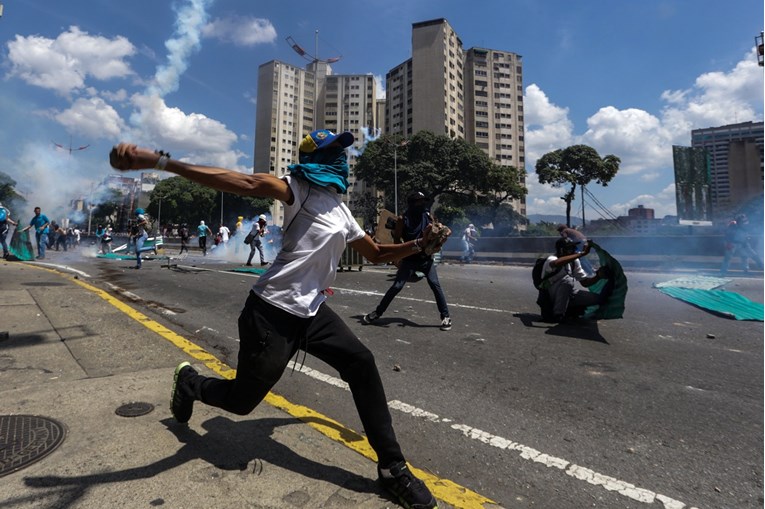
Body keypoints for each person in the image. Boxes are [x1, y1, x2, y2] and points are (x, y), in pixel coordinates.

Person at [109, 129, 441, 509]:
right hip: (270, 313)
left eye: (342, 152)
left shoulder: (341, 209)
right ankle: (190, 383)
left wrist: (419, 244)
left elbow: (377, 254)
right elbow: (245, 182)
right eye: (334, 151)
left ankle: (391, 468)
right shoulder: (295, 189)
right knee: (240, 403)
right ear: (315, 159)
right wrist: (160, 162)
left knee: (361, 363)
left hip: (312, 313)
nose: (341, 158)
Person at [363, 191, 452, 331]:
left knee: (435, 285)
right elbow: (397, 240)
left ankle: (445, 317)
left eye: (423, 201)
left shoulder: (428, 217)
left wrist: (438, 240)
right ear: (412, 204)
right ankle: (377, 313)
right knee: (397, 287)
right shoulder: (402, 220)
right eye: (419, 202)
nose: (422, 204)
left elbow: (434, 236)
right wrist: (397, 258)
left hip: (426, 259)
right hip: (409, 259)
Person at [541, 238, 611, 323]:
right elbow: (556, 263)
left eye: (573, 248)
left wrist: (598, 276)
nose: (573, 250)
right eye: (570, 248)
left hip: (566, 292)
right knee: (568, 280)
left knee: (598, 299)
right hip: (550, 294)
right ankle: (558, 315)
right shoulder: (552, 259)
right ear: (562, 250)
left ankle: (570, 312)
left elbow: (585, 283)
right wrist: (582, 254)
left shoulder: (574, 262)